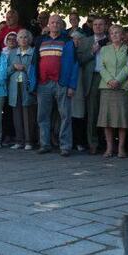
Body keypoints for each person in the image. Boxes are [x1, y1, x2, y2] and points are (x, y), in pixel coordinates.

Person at [35, 14, 79, 157]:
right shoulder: (40, 40)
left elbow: (74, 64)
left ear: (61, 25)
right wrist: (34, 83)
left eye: (57, 23)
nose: (54, 25)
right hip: (43, 83)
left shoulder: (68, 41)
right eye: (52, 22)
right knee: (43, 116)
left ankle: (65, 146)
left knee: (65, 115)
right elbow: (34, 62)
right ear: (48, 24)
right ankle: (44, 144)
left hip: (62, 83)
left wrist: (72, 86)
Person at [97, 25, 128, 158]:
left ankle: (121, 148)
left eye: (117, 32)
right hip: (107, 88)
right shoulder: (104, 49)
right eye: (112, 33)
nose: (114, 35)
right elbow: (100, 67)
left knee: (121, 119)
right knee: (106, 120)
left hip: (122, 87)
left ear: (123, 35)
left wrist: (118, 80)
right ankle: (109, 148)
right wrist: (109, 80)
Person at [77, 17, 109, 154]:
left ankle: (108, 144)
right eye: (95, 24)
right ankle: (93, 143)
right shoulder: (85, 41)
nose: (98, 27)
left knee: (108, 112)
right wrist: (92, 52)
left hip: (109, 78)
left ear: (105, 26)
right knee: (93, 112)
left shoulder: (111, 40)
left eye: (100, 24)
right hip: (93, 78)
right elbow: (79, 60)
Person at [7, 29, 37, 150]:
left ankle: (29, 141)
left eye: (25, 37)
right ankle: (19, 141)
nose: (23, 40)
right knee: (17, 114)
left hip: (27, 86)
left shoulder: (34, 52)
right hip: (14, 87)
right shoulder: (12, 53)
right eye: (20, 37)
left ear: (29, 39)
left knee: (28, 113)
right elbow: (6, 71)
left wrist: (26, 68)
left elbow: (36, 70)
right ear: (17, 40)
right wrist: (14, 67)